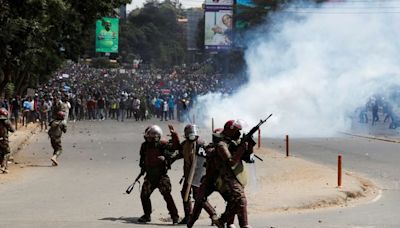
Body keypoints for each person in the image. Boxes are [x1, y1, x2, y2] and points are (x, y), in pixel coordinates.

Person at [170, 124, 219, 225]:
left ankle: (213, 215)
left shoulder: (201, 144)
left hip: (199, 176)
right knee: (185, 194)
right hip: (188, 175)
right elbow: (179, 151)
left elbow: (205, 158)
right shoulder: (185, 144)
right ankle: (188, 216)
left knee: (199, 196)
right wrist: (174, 136)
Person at [214, 120, 254, 228]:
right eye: (236, 131)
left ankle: (224, 221)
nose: (239, 133)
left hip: (237, 175)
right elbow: (230, 161)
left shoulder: (235, 142)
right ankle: (244, 224)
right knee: (240, 199)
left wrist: (249, 145)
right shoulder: (221, 144)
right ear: (229, 131)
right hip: (227, 176)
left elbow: (248, 158)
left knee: (234, 200)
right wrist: (241, 149)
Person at [138, 124, 180, 224]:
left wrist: (174, 135)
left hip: (161, 176)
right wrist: (143, 169)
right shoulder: (144, 146)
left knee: (167, 195)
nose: (150, 137)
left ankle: (175, 216)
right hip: (150, 176)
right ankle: (147, 215)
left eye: (152, 135)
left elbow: (175, 147)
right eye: (149, 135)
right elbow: (142, 160)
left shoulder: (163, 144)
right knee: (144, 195)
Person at [0, 108, 16, 174]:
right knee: (7, 153)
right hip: (4, 139)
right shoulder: (6, 121)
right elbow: (12, 130)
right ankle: (4, 167)